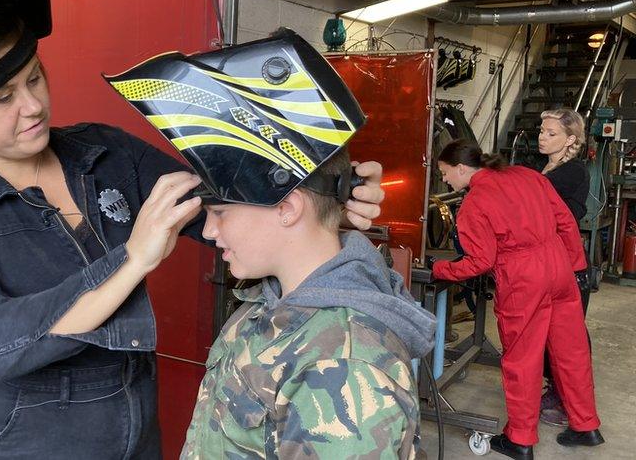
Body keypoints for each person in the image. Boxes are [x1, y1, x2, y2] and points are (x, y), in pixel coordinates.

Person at [0, 0, 387, 458]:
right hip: (21, 442)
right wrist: (131, 260)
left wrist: (326, 191)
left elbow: (224, 207)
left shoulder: (104, 152)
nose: (32, 107)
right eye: (3, 99)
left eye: (35, 79)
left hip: (134, 431)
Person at [105, 31, 436, 459]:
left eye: (220, 212)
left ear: (287, 208)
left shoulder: (343, 365)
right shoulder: (272, 303)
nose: (207, 231)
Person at [432, 139, 603, 460]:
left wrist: (439, 268)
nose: (444, 180)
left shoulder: (474, 203)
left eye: (444, 173)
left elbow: (479, 263)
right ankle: (586, 425)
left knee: (522, 360)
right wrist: (576, 267)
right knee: (572, 351)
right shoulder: (527, 175)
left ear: (461, 168)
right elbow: (565, 221)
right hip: (560, 268)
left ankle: (521, 440)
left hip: (523, 279)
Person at [535, 108, 591, 427]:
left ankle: (567, 400)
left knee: (566, 339)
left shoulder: (572, 172)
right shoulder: (548, 168)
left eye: (551, 133)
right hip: (549, 264)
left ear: (570, 139)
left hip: (568, 267)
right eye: (542, 131)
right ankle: (556, 391)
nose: (543, 136)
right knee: (547, 334)